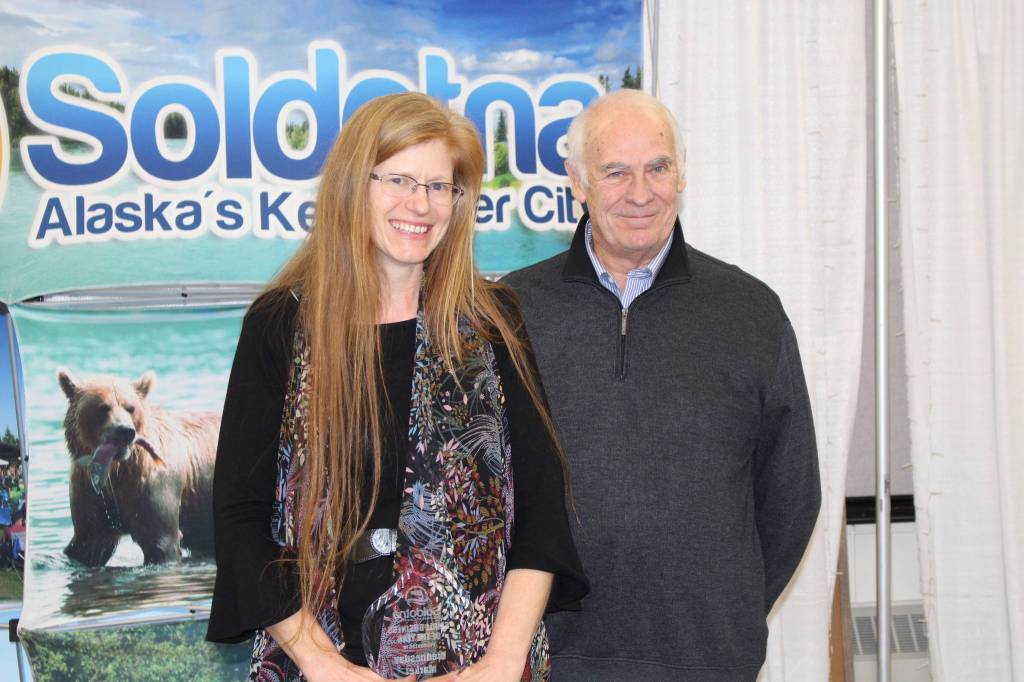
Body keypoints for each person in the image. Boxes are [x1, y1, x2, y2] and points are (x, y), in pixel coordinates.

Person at [207, 92, 587, 681]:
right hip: (319, 660)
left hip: (474, 664)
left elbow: (541, 515)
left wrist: (503, 663)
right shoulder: (280, 325)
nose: (421, 204)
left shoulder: (493, 323)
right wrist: (322, 663)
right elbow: (239, 521)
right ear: (353, 185)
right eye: (401, 179)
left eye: (441, 186)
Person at [502, 89, 821, 681]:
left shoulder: (751, 311)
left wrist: (731, 611)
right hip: (548, 661)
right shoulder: (509, 312)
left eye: (658, 167)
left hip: (707, 659)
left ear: (681, 173)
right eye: (615, 172)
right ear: (578, 182)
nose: (640, 193)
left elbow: (792, 496)